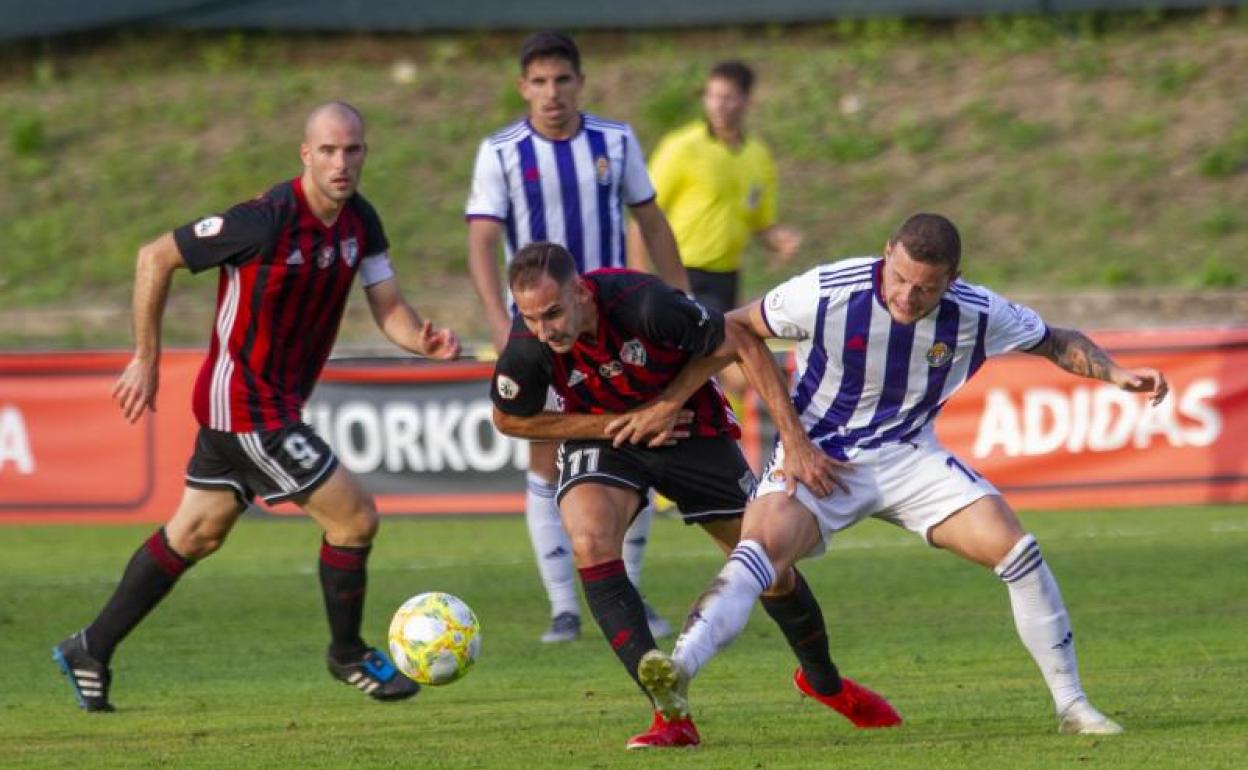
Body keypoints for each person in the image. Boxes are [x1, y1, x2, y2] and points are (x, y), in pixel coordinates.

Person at [633, 213, 1169, 737]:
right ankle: (679, 669)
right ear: (887, 252)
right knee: (759, 553)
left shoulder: (977, 311)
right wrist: (785, 439)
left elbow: (1055, 340)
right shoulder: (827, 290)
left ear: (951, 282)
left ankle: (1072, 705)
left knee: (1018, 551)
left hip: (910, 458)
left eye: (926, 290)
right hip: (821, 456)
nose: (907, 298)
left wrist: (1119, 374)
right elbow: (736, 328)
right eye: (900, 279)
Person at [52, 102, 461, 712]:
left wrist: (420, 341)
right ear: (305, 155)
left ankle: (92, 645)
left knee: (195, 533)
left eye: (352, 150)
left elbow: (389, 304)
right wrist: (146, 356)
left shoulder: (361, 221)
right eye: (327, 150)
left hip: (268, 405)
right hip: (246, 404)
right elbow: (153, 257)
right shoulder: (264, 220)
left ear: (364, 154)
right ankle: (347, 655)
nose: (340, 162)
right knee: (354, 518)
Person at [489, 241, 899, 749]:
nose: (544, 330)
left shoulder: (646, 304)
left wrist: (791, 443)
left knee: (769, 566)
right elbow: (509, 417)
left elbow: (742, 342)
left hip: (691, 430)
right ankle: (670, 713)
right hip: (610, 439)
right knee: (591, 541)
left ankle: (825, 683)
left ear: (580, 291)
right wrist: (610, 424)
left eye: (552, 313)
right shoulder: (528, 345)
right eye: (530, 318)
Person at [466, 30, 688, 644]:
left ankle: (631, 591)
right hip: (540, 329)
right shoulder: (502, 151)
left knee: (638, 442)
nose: (551, 93)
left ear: (579, 82)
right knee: (544, 453)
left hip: (611, 322)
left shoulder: (614, 142)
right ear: (522, 88)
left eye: (562, 79)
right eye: (538, 82)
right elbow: (483, 240)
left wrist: (679, 296)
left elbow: (651, 219)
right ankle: (564, 605)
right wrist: (496, 316)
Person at [632, 60, 801, 316]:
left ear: (746, 100)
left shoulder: (758, 156)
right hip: (684, 272)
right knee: (718, 344)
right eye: (711, 96)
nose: (717, 105)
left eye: (727, 97)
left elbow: (759, 221)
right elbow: (642, 215)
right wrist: (638, 280)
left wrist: (779, 240)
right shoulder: (681, 147)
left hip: (728, 277)